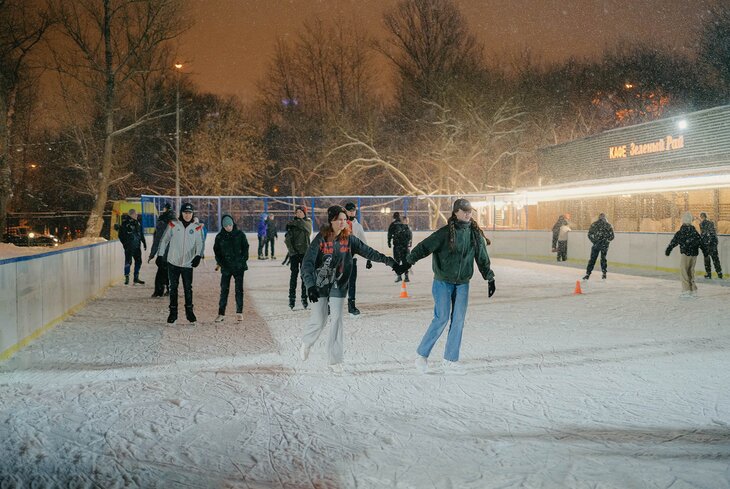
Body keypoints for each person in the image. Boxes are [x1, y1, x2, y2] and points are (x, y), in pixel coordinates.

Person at [299, 205, 405, 373]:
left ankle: (335, 360)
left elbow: (370, 252)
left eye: (344, 219)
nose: (343, 222)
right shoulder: (321, 238)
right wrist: (310, 285)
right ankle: (307, 341)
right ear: (332, 220)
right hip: (319, 284)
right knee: (320, 319)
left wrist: (391, 262)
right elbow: (307, 263)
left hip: (339, 285)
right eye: (339, 219)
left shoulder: (350, 239)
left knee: (337, 320)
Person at [405, 198, 495, 374]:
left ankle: (450, 360)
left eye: (470, 211)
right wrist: (408, 262)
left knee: (458, 320)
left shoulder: (475, 234)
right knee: (442, 318)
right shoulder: (445, 233)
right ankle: (422, 355)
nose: (468, 213)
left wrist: (489, 277)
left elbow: (482, 257)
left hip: (463, 283)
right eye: (465, 210)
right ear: (456, 212)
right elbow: (424, 247)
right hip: (443, 282)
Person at [158, 202, 205, 324]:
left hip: (188, 264)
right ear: (181, 213)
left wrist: (198, 256)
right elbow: (164, 240)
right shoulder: (173, 224)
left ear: (192, 213)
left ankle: (190, 313)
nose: (187, 215)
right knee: (173, 288)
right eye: (185, 213)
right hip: (173, 262)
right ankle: (173, 313)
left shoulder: (196, 227)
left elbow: (200, 243)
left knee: (188, 289)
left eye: (189, 213)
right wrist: (160, 255)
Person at [213, 215, 249, 322]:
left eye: (230, 225)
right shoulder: (220, 237)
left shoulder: (240, 234)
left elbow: (245, 248)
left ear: (233, 224)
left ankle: (239, 312)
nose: (228, 227)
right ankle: (221, 313)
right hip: (226, 268)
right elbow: (217, 252)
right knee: (224, 290)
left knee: (239, 290)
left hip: (239, 267)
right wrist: (221, 263)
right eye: (226, 226)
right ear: (223, 226)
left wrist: (242, 261)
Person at [344, 202, 372, 316]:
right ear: (345, 211)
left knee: (351, 283)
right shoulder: (340, 223)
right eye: (349, 210)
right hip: (339, 258)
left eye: (353, 210)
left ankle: (351, 305)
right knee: (336, 282)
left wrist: (368, 258)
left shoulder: (357, 226)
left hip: (352, 259)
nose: (351, 212)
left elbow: (363, 243)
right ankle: (331, 304)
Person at [665, 211, 702, 298]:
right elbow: (700, 242)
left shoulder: (681, 231)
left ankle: (686, 290)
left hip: (686, 253)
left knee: (684, 271)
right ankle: (693, 289)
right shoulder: (694, 231)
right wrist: (705, 252)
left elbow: (674, 241)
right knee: (691, 271)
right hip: (694, 254)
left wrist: (669, 249)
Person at [284, 205, 312, 310]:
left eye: (300, 212)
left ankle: (304, 298)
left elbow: (307, 228)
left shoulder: (308, 222)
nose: (298, 214)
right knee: (293, 277)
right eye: (297, 212)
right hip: (294, 254)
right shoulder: (292, 226)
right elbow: (287, 239)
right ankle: (292, 299)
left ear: (304, 213)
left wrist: (293, 223)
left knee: (304, 277)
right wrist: (292, 252)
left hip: (305, 253)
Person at [148, 202, 175, 297]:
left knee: (161, 272)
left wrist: (152, 253)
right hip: (173, 253)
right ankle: (170, 289)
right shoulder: (176, 221)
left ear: (165, 209)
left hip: (163, 253)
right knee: (169, 271)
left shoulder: (162, 222)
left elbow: (157, 240)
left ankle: (159, 291)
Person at [116, 209, 147, 286]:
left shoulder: (137, 223)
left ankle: (136, 278)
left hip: (137, 246)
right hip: (130, 246)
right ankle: (127, 278)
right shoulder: (125, 223)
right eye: (136, 214)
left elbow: (141, 234)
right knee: (128, 261)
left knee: (138, 261)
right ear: (131, 215)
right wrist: (125, 244)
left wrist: (144, 242)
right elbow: (120, 235)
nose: (137, 215)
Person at [583, 213, 615, 280]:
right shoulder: (608, 225)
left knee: (593, 259)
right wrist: (606, 241)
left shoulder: (595, 224)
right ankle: (604, 273)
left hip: (597, 245)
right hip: (603, 245)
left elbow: (589, 234)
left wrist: (594, 241)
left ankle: (588, 274)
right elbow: (612, 236)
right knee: (603, 259)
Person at [387, 212, 413, 282]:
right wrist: (409, 243)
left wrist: (389, 242)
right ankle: (406, 277)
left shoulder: (393, 225)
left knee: (397, 261)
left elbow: (389, 234)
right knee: (405, 261)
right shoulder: (404, 225)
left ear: (394, 217)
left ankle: (399, 276)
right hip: (404, 246)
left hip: (397, 246)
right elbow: (409, 234)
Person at [699, 212, 722, 279]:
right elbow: (713, 234)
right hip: (713, 244)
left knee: (707, 260)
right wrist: (714, 243)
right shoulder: (711, 223)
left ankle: (708, 274)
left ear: (701, 217)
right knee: (715, 259)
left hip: (706, 245)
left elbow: (703, 235)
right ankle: (719, 273)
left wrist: (703, 244)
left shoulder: (701, 224)